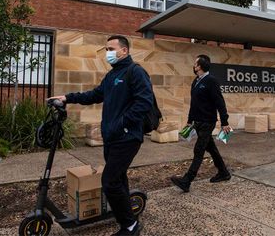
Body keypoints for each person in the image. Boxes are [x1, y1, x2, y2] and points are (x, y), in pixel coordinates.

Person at [50, 35, 153, 236]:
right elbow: (94, 95)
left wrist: (122, 124)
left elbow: (144, 102)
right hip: (112, 137)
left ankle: (130, 226)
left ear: (124, 51)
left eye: (111, 49)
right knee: (119, 179)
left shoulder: (136, 72)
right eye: (106, 49)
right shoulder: (112, 75)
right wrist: (68, 98)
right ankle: (127, 215)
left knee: (109, 182)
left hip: (127, 137)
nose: (108, 53)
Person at [171, 54, 231, 193]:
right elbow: (194, 103)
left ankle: (187, 180)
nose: (194, 66)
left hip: (207, 122)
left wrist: (224, 121)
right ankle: (223, 172)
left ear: (200, 66)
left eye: (195, 64)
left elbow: (220, 102)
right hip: (197, 122)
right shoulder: (196, 81)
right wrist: (189, 121)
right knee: (211, 148)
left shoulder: (211, 81)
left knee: (199, 150)